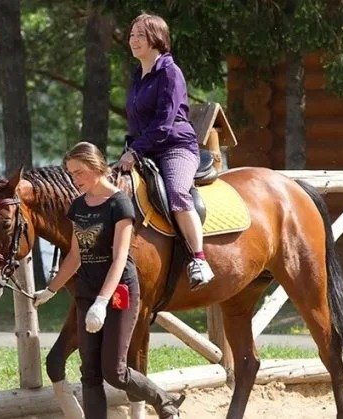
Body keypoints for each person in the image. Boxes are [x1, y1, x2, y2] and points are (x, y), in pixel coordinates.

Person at [34, 141, 184, 419]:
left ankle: (163, 401)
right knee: (89, 373)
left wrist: (102, 302)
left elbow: (120, 258)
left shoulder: (119, 203)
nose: (74, 179)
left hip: (118, 293)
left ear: (95, 167)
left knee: (115, 372)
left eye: (78, 173)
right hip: (86, 292)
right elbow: (76, 256)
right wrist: (51, 289)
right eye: (70, 173)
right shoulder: (78, 206)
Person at [115, 13, 214, 290]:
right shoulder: (138, 75)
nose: (132, 40)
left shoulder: (170, 72)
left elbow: (164, 122)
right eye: (132, 35)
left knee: (177, 193)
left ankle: (198, 259)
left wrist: (134, 151)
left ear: (156, 39)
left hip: (175, 147)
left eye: (140, 36)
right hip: (144, 150)